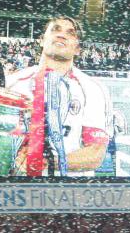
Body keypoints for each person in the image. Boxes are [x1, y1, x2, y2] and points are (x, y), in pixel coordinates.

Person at [6, 16, 112, 177]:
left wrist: (45, 162)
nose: (61, 35)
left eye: (70, 33)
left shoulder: (92, 89)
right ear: (42, 40)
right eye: (56, 29)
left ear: (78, 49)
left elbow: (95, 154)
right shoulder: (13, 83)